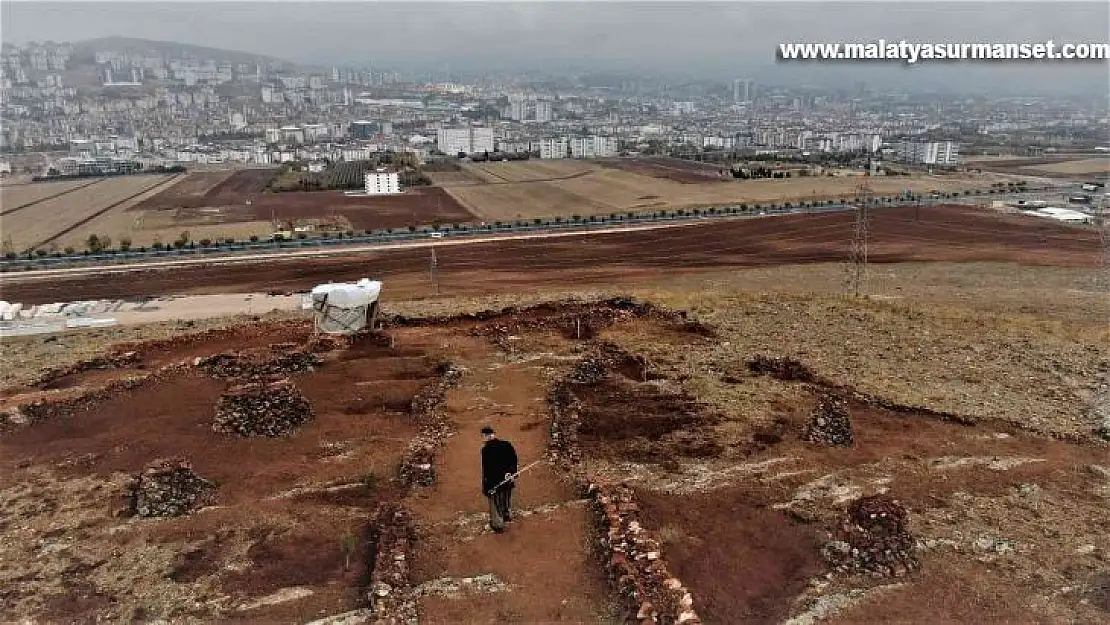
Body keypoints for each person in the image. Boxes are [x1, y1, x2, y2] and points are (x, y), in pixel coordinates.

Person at [480, 425, 518, 533]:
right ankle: (507, 515)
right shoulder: (506, 444)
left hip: (494, 483)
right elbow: (514, 460)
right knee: (506, 498)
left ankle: (498, 525)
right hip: (508, 480)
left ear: (485, 436)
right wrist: (511, 473)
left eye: (483, 436)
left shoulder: (486, 450)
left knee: (495, 504)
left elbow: (487, 470)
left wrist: (486, 487)